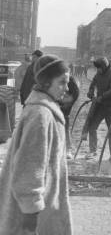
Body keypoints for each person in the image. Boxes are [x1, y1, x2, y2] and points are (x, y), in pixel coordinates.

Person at [0, 54, 73, 235]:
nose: (67, 88)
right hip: (35, 215)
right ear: (46, 83)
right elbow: (29, 168)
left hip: (44, 206)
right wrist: (30, 218)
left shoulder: (43, 109)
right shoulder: (41, 115)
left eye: (68, 82)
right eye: (62, 82)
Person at [82, 57, 111, 163]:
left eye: (99, 68)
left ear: (104, 66)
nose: (97, 70)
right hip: (100, 106)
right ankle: (93, 150)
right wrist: (91, 91)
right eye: (97, 68)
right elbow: (93, 82)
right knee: (92, 127)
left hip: (110, 106)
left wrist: (102, 97)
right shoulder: (99, 73)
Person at [59, 75, 80, 159]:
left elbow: (75, 94)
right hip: (56, 102)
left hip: (65, 105)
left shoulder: (71, 81)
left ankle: (68, 149)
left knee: (65, 125)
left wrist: (67, 104)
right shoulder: (53, 78)